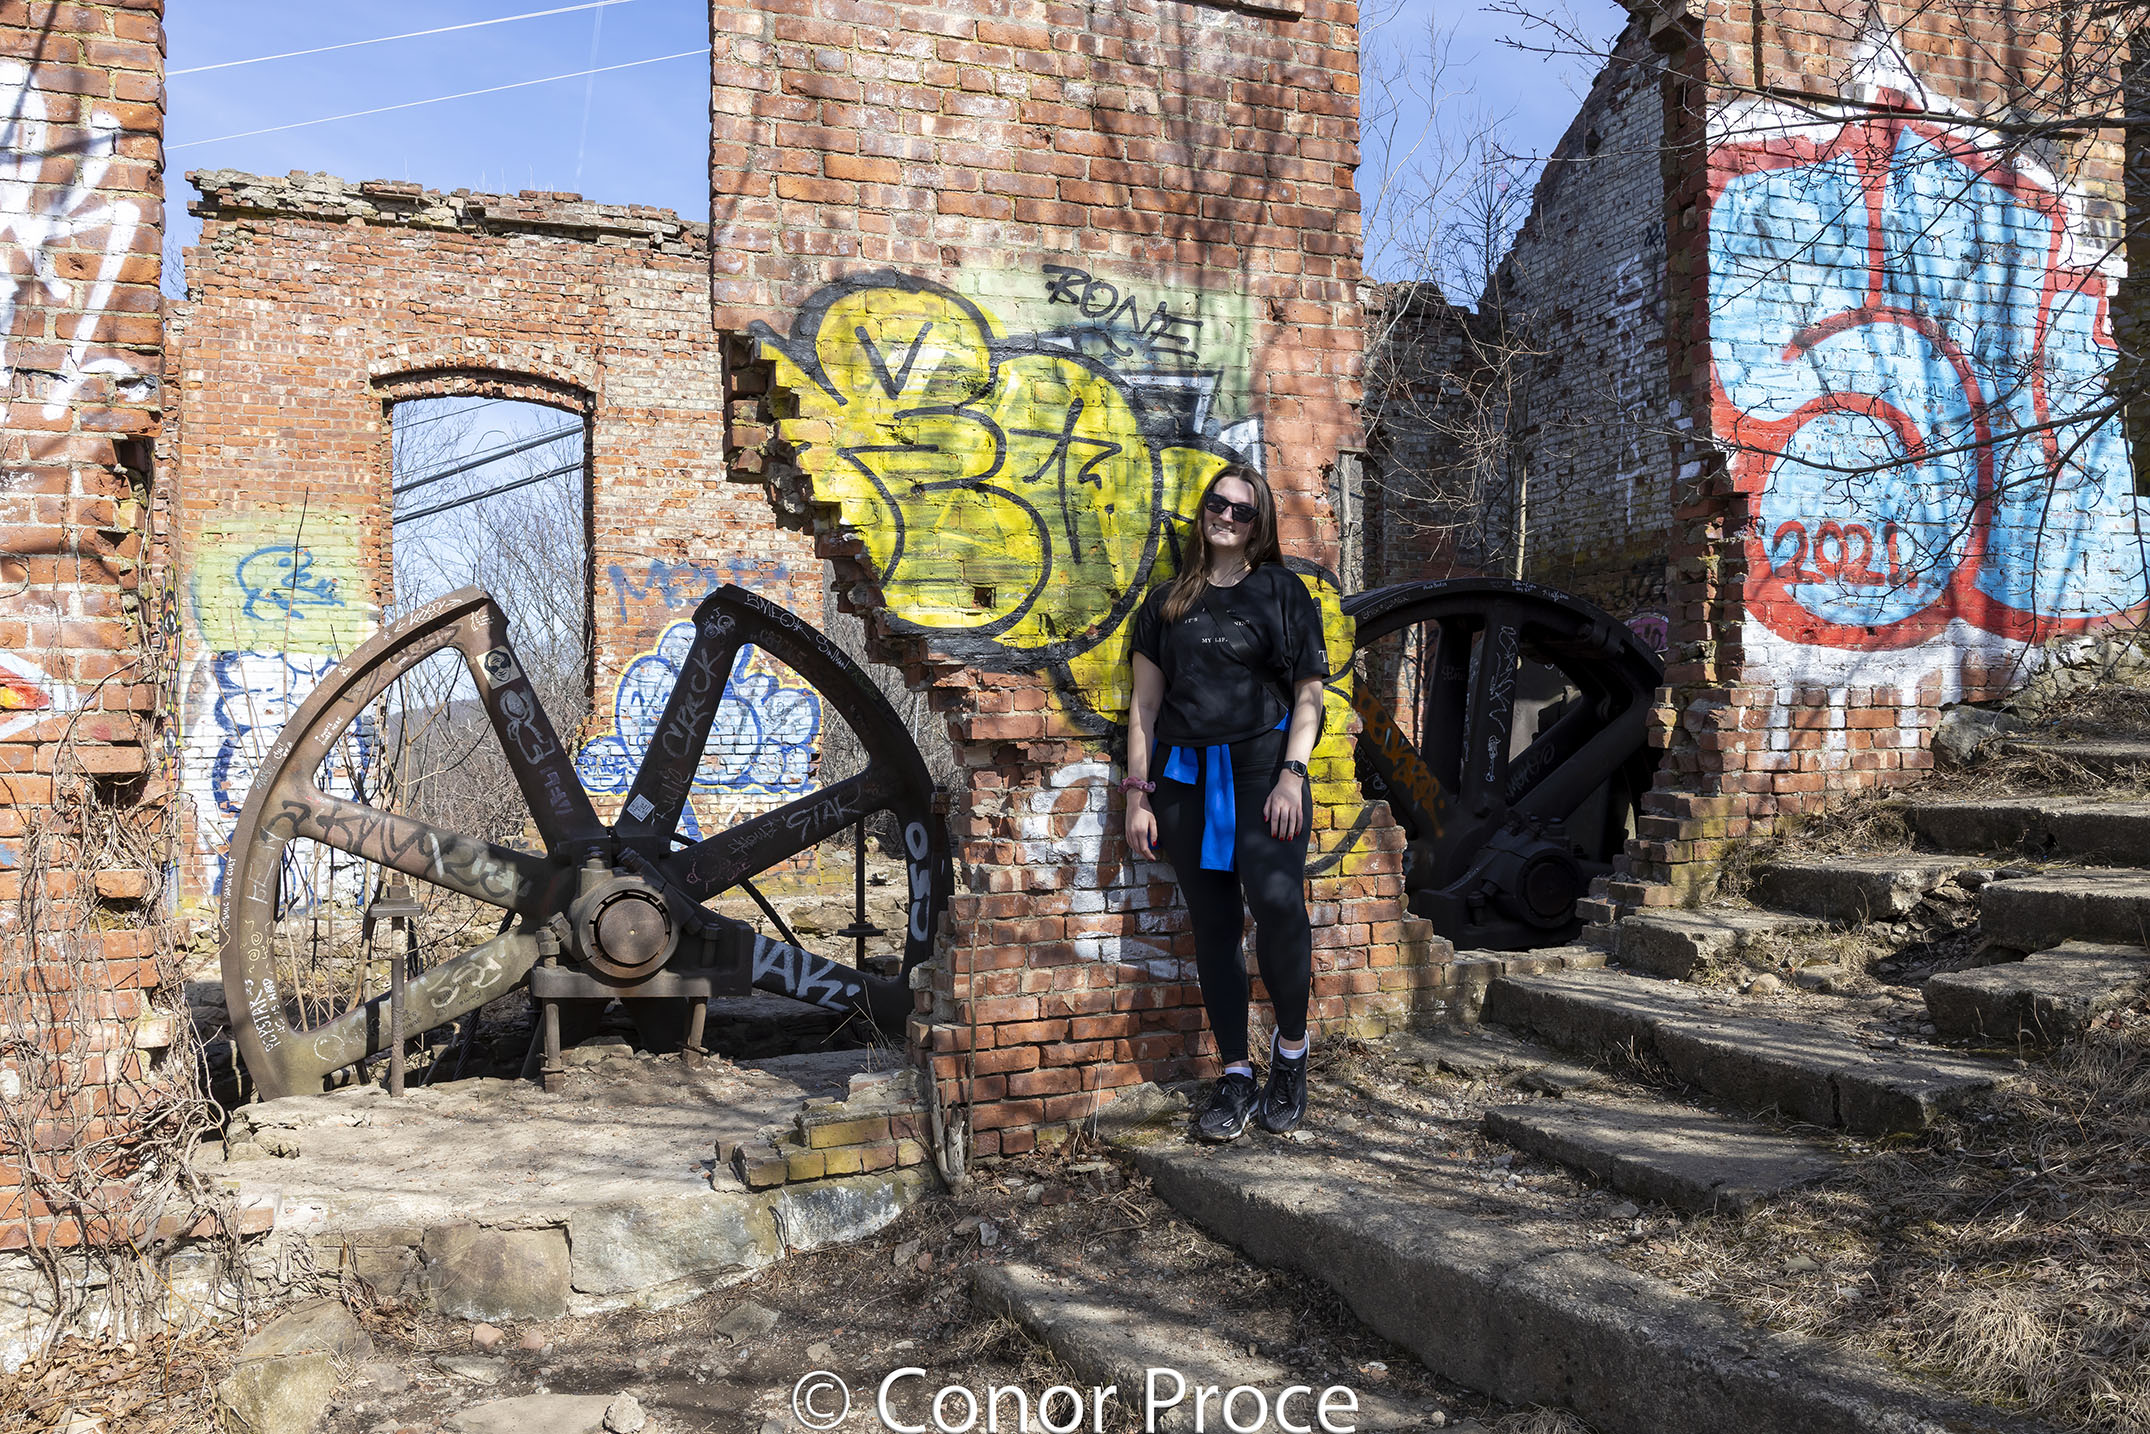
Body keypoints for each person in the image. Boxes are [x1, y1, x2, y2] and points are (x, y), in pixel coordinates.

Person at [1122, 465, 1327, 1141]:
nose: (1228, 517)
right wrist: (1138, 796)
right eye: (1218, 504)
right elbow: (1145, 708)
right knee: (1213, 927)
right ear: (1203, 511)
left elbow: (1309, 694)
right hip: (1185, 781)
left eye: (1243, 510)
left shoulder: (1282, 592)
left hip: (1265, 775)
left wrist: (1293, 775)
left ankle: (1290, 1055)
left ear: (1258, 524)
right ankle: (1236, 1074)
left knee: (1277, 904)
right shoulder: (1166, 603)